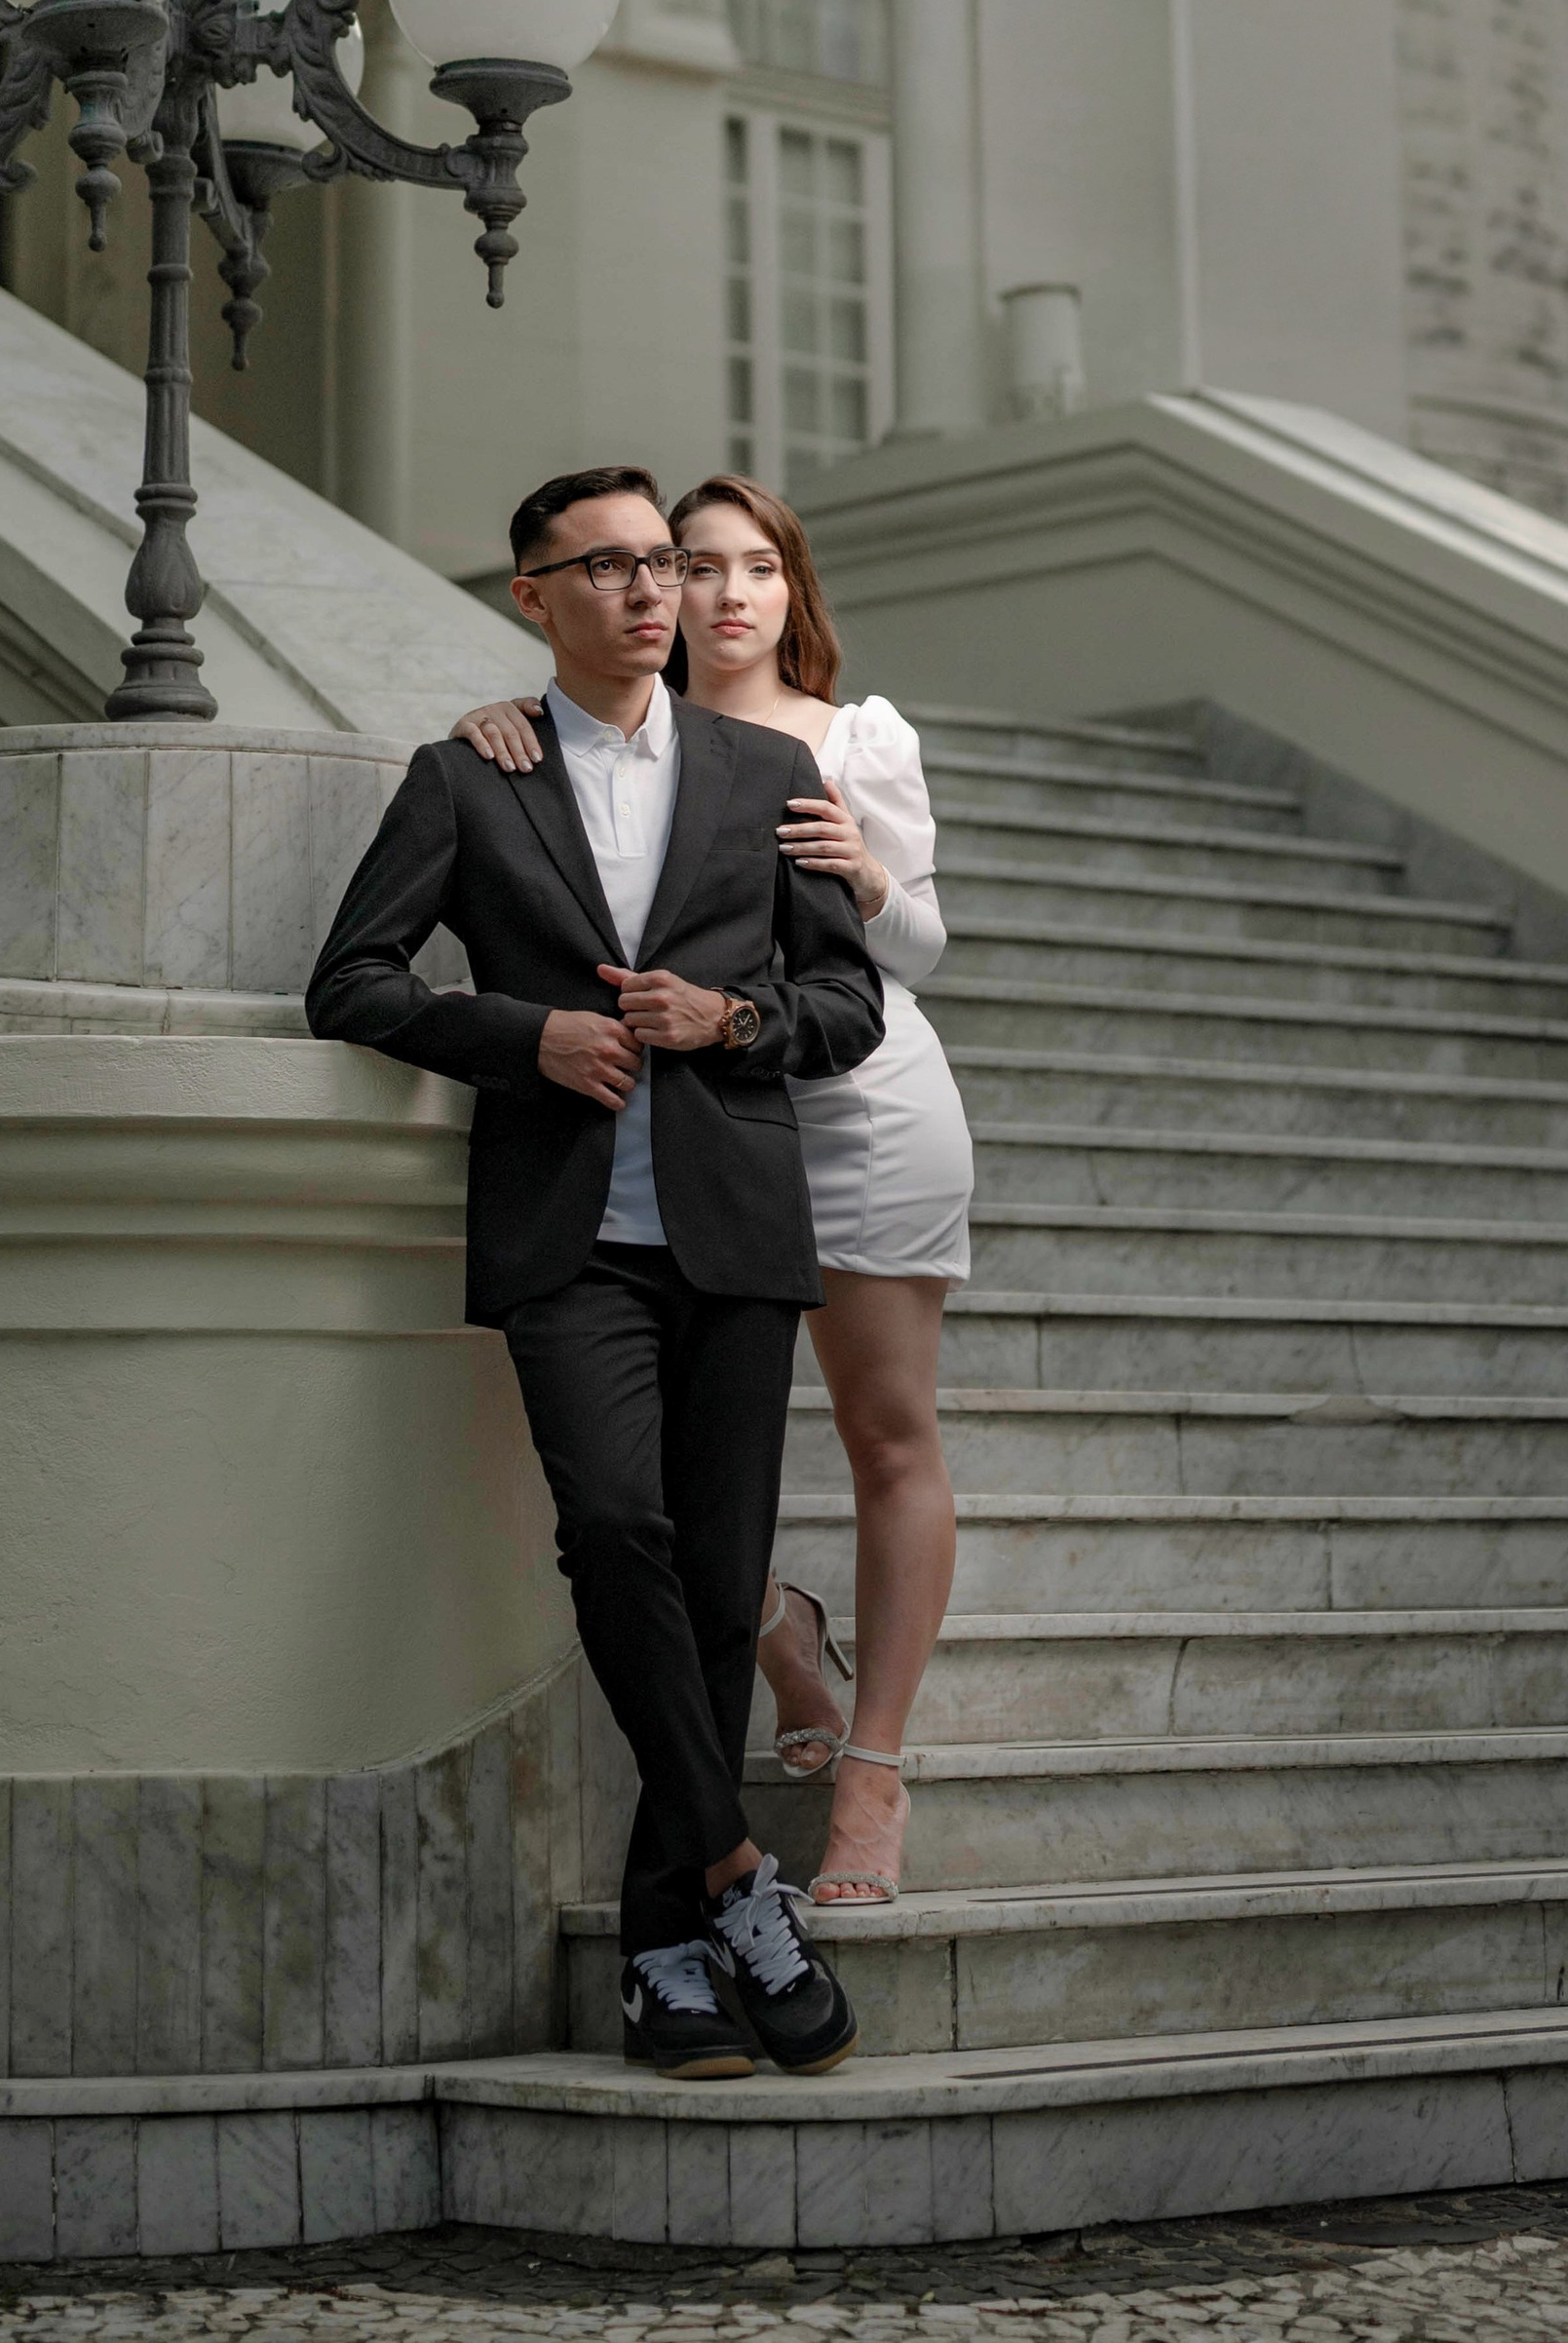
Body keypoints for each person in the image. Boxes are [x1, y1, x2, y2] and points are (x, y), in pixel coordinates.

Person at [304, 464, 887, 2080]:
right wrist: (521, 1035)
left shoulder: (768, 769)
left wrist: (733, 1019)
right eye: (611, 565)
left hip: (739, 1234)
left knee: (714, 1592)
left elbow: (848, 1007)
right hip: (570, 1235)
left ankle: (667, 1966)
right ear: (533, 594)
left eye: (664, 563)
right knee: (614, 1529)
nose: (653, 590)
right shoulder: (470, 775)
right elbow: (346, 979)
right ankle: (735, 1878)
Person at [451, 471, 972, 1908]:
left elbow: (917, 956)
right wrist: (486, 726)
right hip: (679, 1134)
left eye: (761, 566)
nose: (728, 591)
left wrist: (865, 873)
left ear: (794, 592)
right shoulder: (611, 731)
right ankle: (776, 1631)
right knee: (661, 1492)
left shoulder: (854, 736)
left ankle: (872, 1773)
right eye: (697, 562)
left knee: (885, 1433)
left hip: (852, 1109)